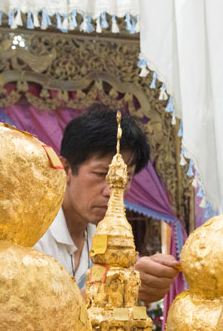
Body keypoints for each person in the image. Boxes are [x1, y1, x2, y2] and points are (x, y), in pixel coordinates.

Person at [35, 107, 179, 302]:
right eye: (101, 174)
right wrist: (113, 286)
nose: (112, 191)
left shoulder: (100, 236)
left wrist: (147, 276)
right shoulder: (33, 236)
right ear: (66, 169)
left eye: (125, 178)